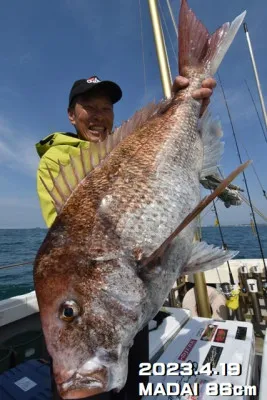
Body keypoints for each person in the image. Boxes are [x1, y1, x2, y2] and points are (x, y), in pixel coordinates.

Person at [36, 75, 216, 227]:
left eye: (106, 108)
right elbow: (65, 231)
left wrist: (191, 113)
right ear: (71, 115)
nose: (99, 115)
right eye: (89, 107)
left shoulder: (132, 143)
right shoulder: (55, 160)